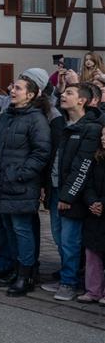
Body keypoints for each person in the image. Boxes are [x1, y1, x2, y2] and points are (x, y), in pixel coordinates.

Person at [0, 71, 52, 297]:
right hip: (1, 183)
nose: (12, 90)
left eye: (18, 88)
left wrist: (21, 174)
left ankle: (26, 274)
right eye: (13, 87)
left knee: (22, 230)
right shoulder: (5, 117)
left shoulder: (36, 119)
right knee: (8, 230)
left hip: (20, 185)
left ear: (31, 95)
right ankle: (16, 270)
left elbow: (41, 152)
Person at [40, 84, 103, 301]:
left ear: (82, 101)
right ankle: (67, 276)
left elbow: (83, 166)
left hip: (73, 196)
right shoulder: (64, 125)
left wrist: (68, 196)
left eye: (69, 93)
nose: (63, 96)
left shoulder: (91, 128)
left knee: (70, 240)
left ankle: (69, 282)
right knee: (59, 238)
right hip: (57, 190)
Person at [79, 126, 105, 305]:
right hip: (94, 212)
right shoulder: (96, 158)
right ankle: (93, 290)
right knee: (92, 252)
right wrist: (92, 202)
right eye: (102, 134)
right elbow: (86, 183)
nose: (103, 138)